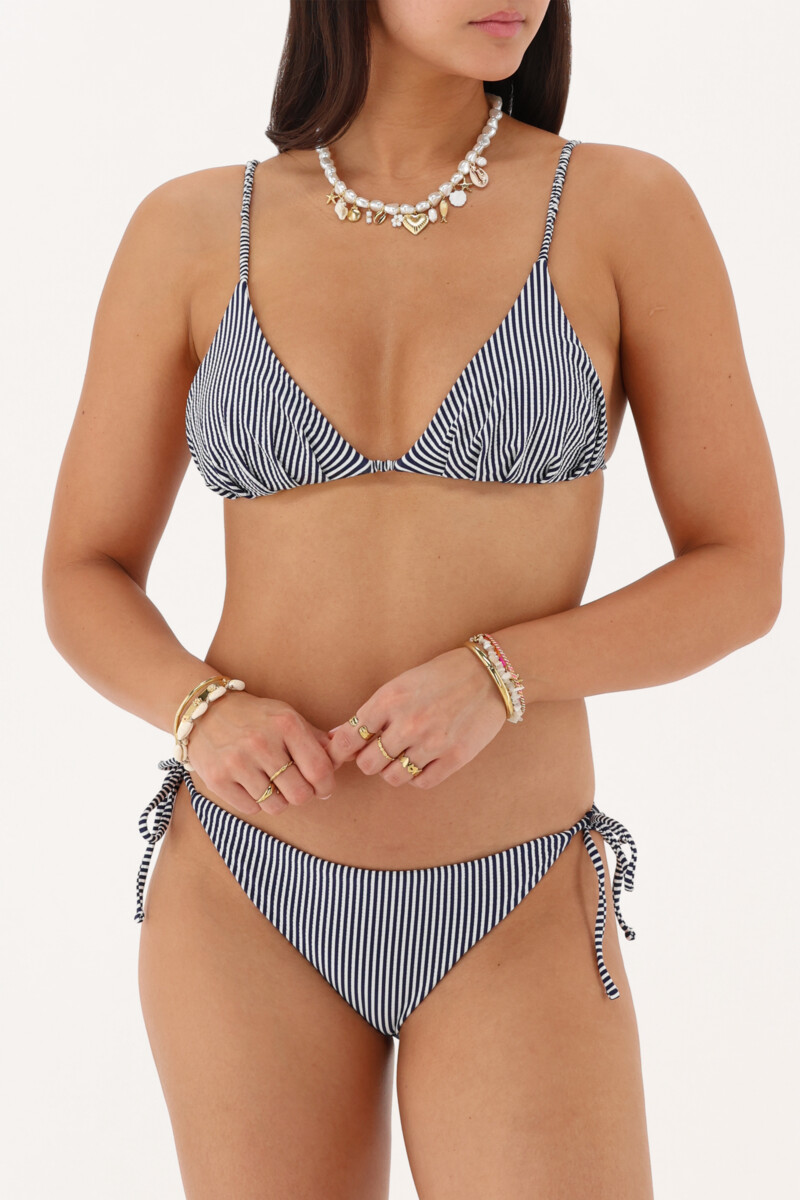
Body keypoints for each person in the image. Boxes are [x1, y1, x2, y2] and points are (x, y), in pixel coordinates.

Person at [41, 1, 783, 1196]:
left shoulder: (624, 207)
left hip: (516, 887)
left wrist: (505, 671)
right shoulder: (190, 227)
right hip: (244, 884)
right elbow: (82, 570)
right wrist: (199, 710)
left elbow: (740, 569)